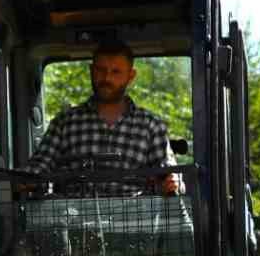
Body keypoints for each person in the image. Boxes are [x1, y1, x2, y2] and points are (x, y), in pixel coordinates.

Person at [22, 39, 180, 197]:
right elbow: (41, 163)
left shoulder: (150, 125)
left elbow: (168, 170)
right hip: (73, 219)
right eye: (100, 70)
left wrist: (171, 182)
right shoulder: (64, 122)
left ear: (130, 76)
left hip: (134, 219)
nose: (107, 78)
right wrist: (27, 179)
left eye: (116, 72)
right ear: (91, 70)